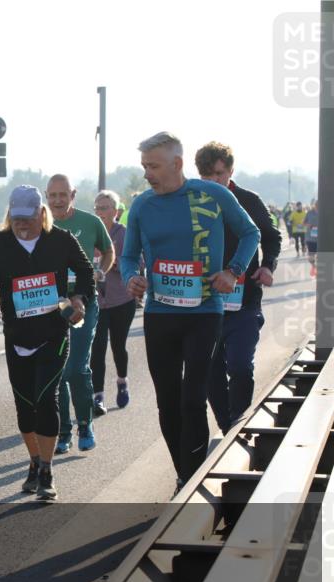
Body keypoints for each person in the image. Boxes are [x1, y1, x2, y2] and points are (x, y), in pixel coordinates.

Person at [122, 132, 259, 491]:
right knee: (168, 402)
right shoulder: (141, 206)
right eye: (144, 167)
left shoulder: (212, 195)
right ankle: (185, 472)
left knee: (193, 398)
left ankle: (193, 480)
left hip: (204, 312)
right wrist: (130, 278)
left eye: (153, 166)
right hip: (159, 313)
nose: (147, 174)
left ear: (177, 164)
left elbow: (251, 233)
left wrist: (233, 271)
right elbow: (127, 256)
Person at [0, 185, 93, 501]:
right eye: (16, 218)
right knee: (25, 408)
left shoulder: (61, 241)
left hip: (54, 333)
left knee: (45, 398)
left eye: (28, 218)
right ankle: (35, 462)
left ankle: (48, 471)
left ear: (42, 214)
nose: (22, 224)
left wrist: (79, 299)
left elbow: (86, 272)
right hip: (16, 337)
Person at [195, 142, 280, 434]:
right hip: (205, 304)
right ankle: (229, 427)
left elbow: (271, 237)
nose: (213, 181)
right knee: (211, 374)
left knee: (241, 366)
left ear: (231, 171)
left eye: (219, 174)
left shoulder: (248, 200)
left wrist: (267, 265)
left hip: (243, 302)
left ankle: (238, 423)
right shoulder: (191, 202)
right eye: (206, 175)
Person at [46, 175, 114, 453]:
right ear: (46, 196)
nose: (58, 201)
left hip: (84, 301)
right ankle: (64, 431)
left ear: (73, 195)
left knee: (76, 367)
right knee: (58, 371)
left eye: (63, 195)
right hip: (53, 304)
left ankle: (85, 423)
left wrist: (100, 271)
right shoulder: (41, 225)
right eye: (53, 196)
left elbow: (109, 251)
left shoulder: (90, 222)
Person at [89, 191, 137, 417]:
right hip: (96, 302)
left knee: (118, 346)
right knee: (97, 348)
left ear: (116, 211)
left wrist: (113, 262)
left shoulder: (124, 234)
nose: (101, 212)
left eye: (106, 207)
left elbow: (138, 262)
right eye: (98, 207)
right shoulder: (90, 234)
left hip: (121, 299)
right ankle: (97, 396)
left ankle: (122, 380)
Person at [305, 199, 319, 277]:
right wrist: (309, 225)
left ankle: (318, 269)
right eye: (316, 205)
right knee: (311, 256)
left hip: (321, 238)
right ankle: (314, 266)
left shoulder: (325, 212)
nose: (317, 206)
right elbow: (304, 223)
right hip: (310, 238)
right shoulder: (309, 213)